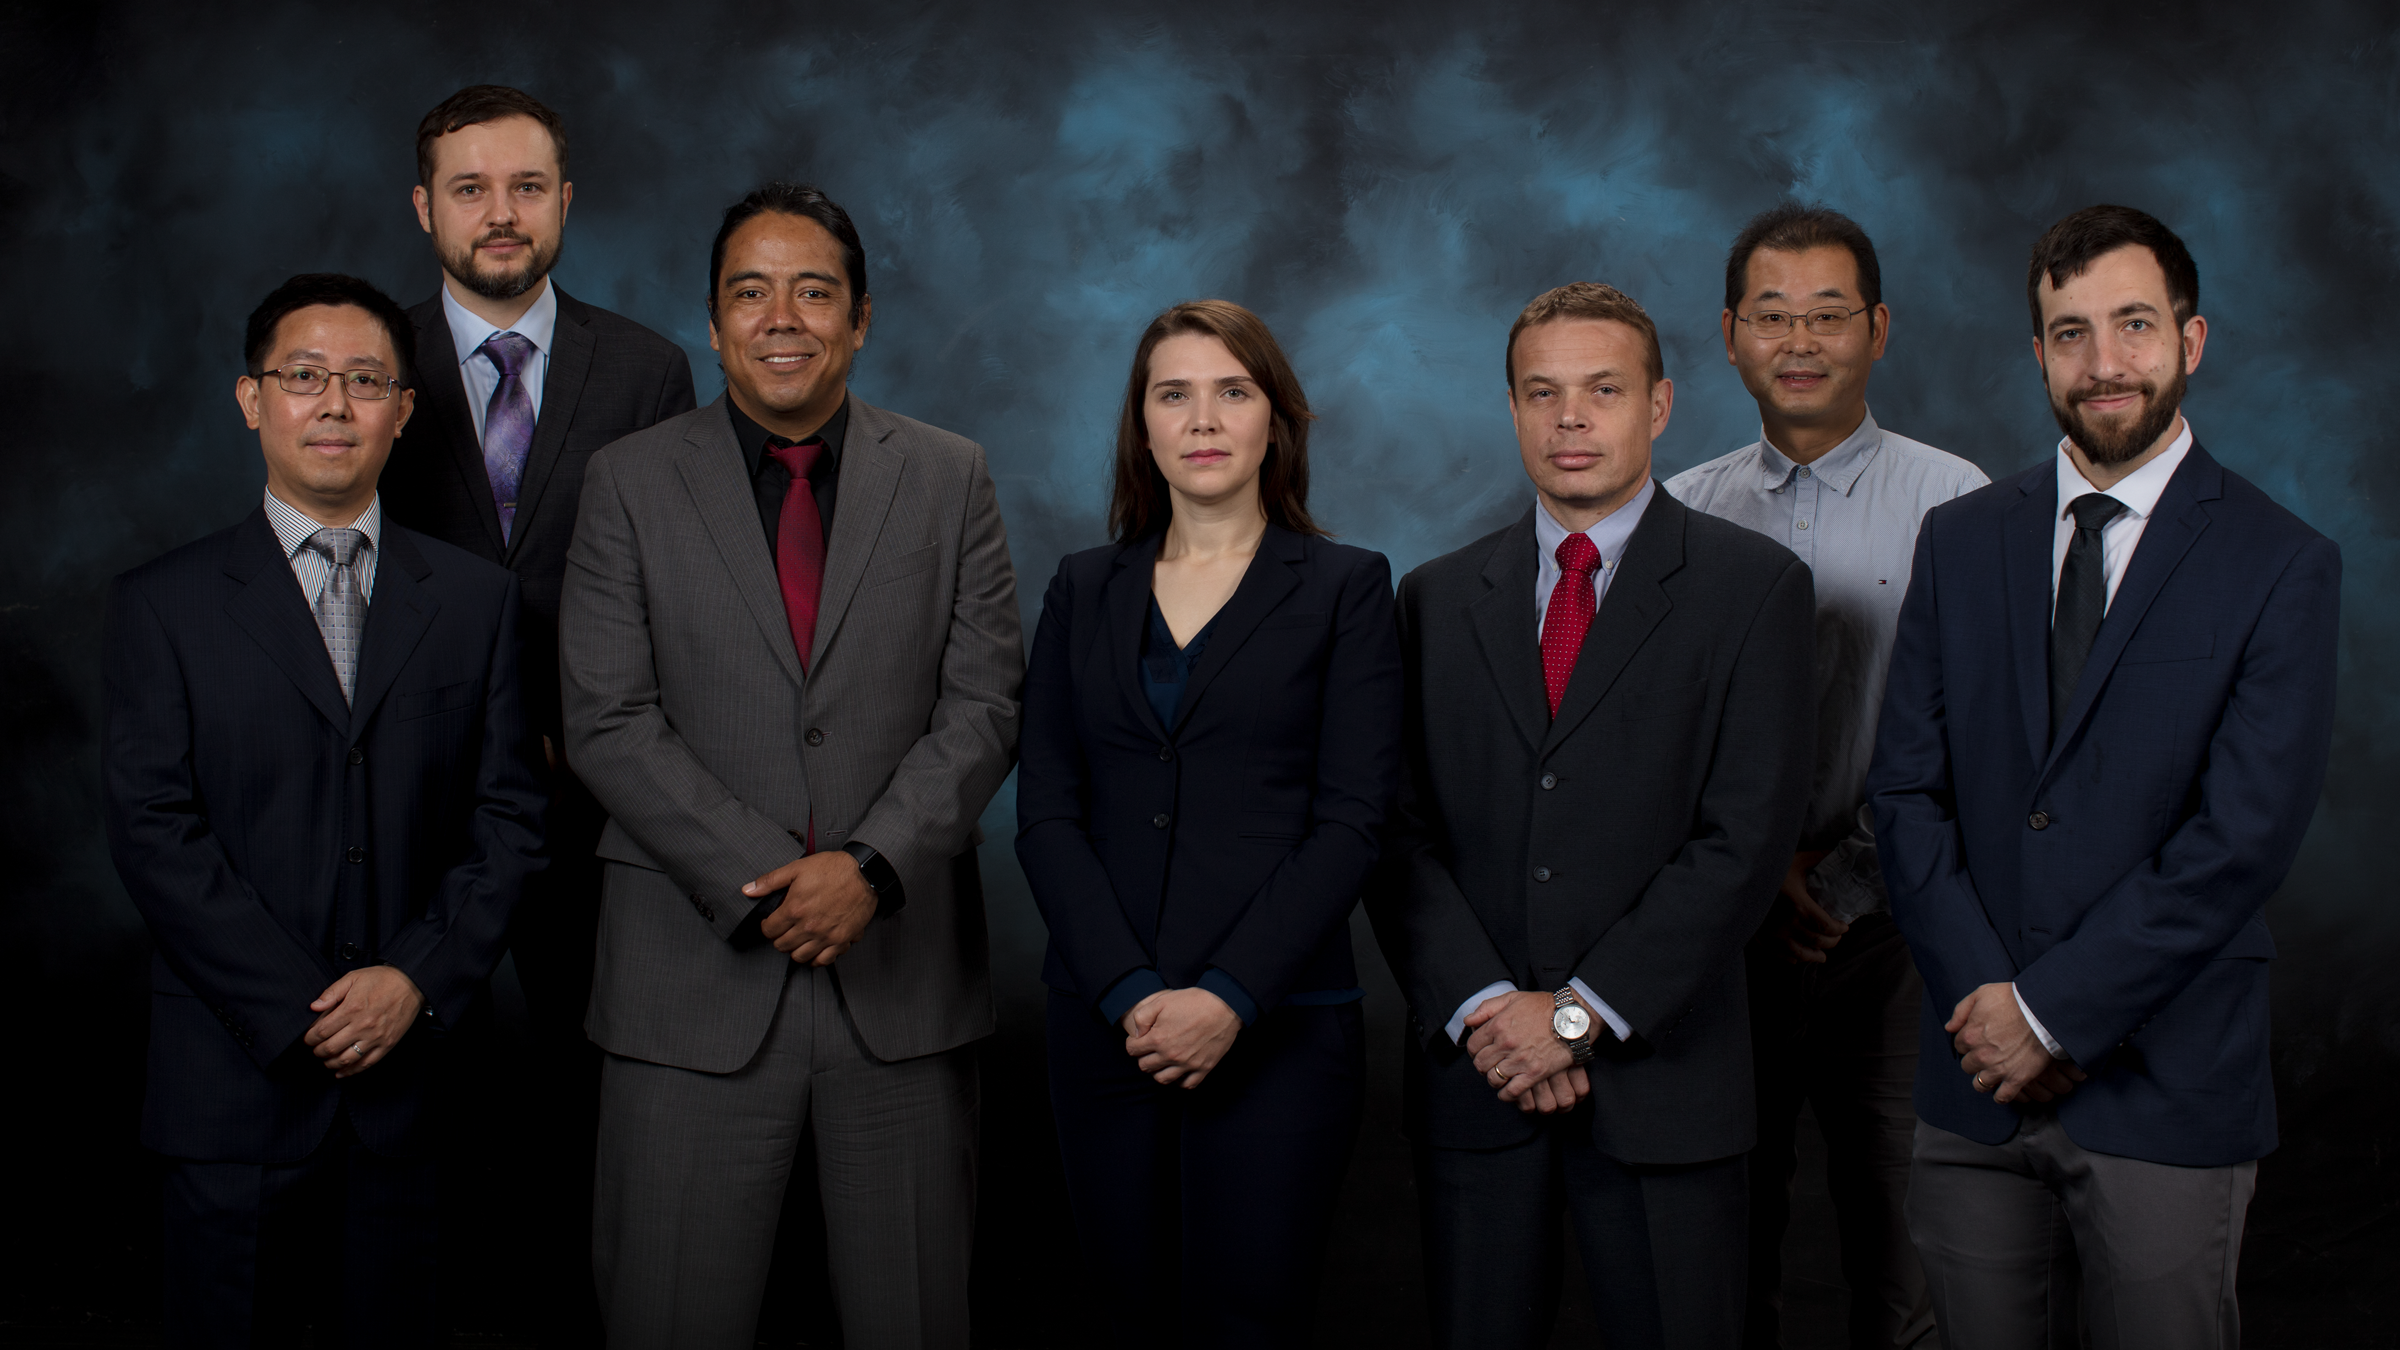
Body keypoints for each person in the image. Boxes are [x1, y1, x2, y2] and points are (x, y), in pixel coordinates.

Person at [559, 181, 1022, 1350]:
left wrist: (867, 866)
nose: (782, 318)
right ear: (712, 325)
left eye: (813, 291)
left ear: (860, 318)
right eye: (749, 293)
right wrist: (776, 876)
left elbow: (984, 703)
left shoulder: (952, 476)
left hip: (900, 986)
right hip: (687, 989)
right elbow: (606, 718)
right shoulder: (626, 482)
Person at [1870, 204, 2340, 1350]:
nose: (2104, 362)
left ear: (2192, 339)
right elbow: (1905, 793)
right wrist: (1991, 1008)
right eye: (2069, 332)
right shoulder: (1963, 538)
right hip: (1971, 1080)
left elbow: (2241, 839)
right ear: (2038, 355)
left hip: (2164, 1088)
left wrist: (2050, 1013)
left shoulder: (2281, 563)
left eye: (2134, 325)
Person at [102, 273, 547, 1347]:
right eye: (304, 378)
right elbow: (154, 832)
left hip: (421, 1093)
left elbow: (510, 821)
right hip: (234, 1088)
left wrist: (415, 982)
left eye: (364, 381)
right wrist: (306, 1007)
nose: (334, 404)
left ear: (403, 409)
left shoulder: (477, 603)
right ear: (253, 399)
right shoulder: (161, 605)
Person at [1371, 281, 1817, 1350]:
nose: (1571, 419)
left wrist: (1572, 1017)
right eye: (1544, 392)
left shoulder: (1754, 590)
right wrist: (1489, 1010)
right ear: (1515, 410)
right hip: (1481, 1085)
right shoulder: (1432, 599)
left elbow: (1743, 844)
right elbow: (1394, 833)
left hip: (1667, 1089)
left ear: (1658, 406)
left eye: (1602, 390)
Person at [1016, 300, 1402, 1344]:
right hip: (1106, 1026)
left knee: (1249, 1320)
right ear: (1140, 426)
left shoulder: (1346, 589)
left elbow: (1352, 823)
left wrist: (1227, 996)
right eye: (1173, 393)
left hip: (1278, 1026)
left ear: (1277, 419)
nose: (1204, 417)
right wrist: (1131, 992)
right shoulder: (1081, 589)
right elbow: (1047, 812)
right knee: (1128, 1315)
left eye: (1234, 390)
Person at [376, 84, 696, 1338]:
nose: (498, 215)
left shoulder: (648, 368)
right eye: (469, 188)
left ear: (565, 201)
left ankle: (588, 1312)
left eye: (524, 187)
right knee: (418, 1084)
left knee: (592, 1081)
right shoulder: (372, 361)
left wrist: (602, 728)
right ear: (425, 209)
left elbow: (681, 584)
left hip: (590, 801)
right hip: (412, 804)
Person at [1667, 204, 1986, 1350]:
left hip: (1897, 942)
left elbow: (1980, 746)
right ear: (1730, 334)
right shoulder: (1683, 512)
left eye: (1829, 314)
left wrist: (1847, 881)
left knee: (1905, 1255)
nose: (1800, 340)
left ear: (1879, 329)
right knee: (1720, 1246)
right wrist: (1746, 879)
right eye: (1772, 315)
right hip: (1718, 943)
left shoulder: (1961, 506)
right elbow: (1652, 745)